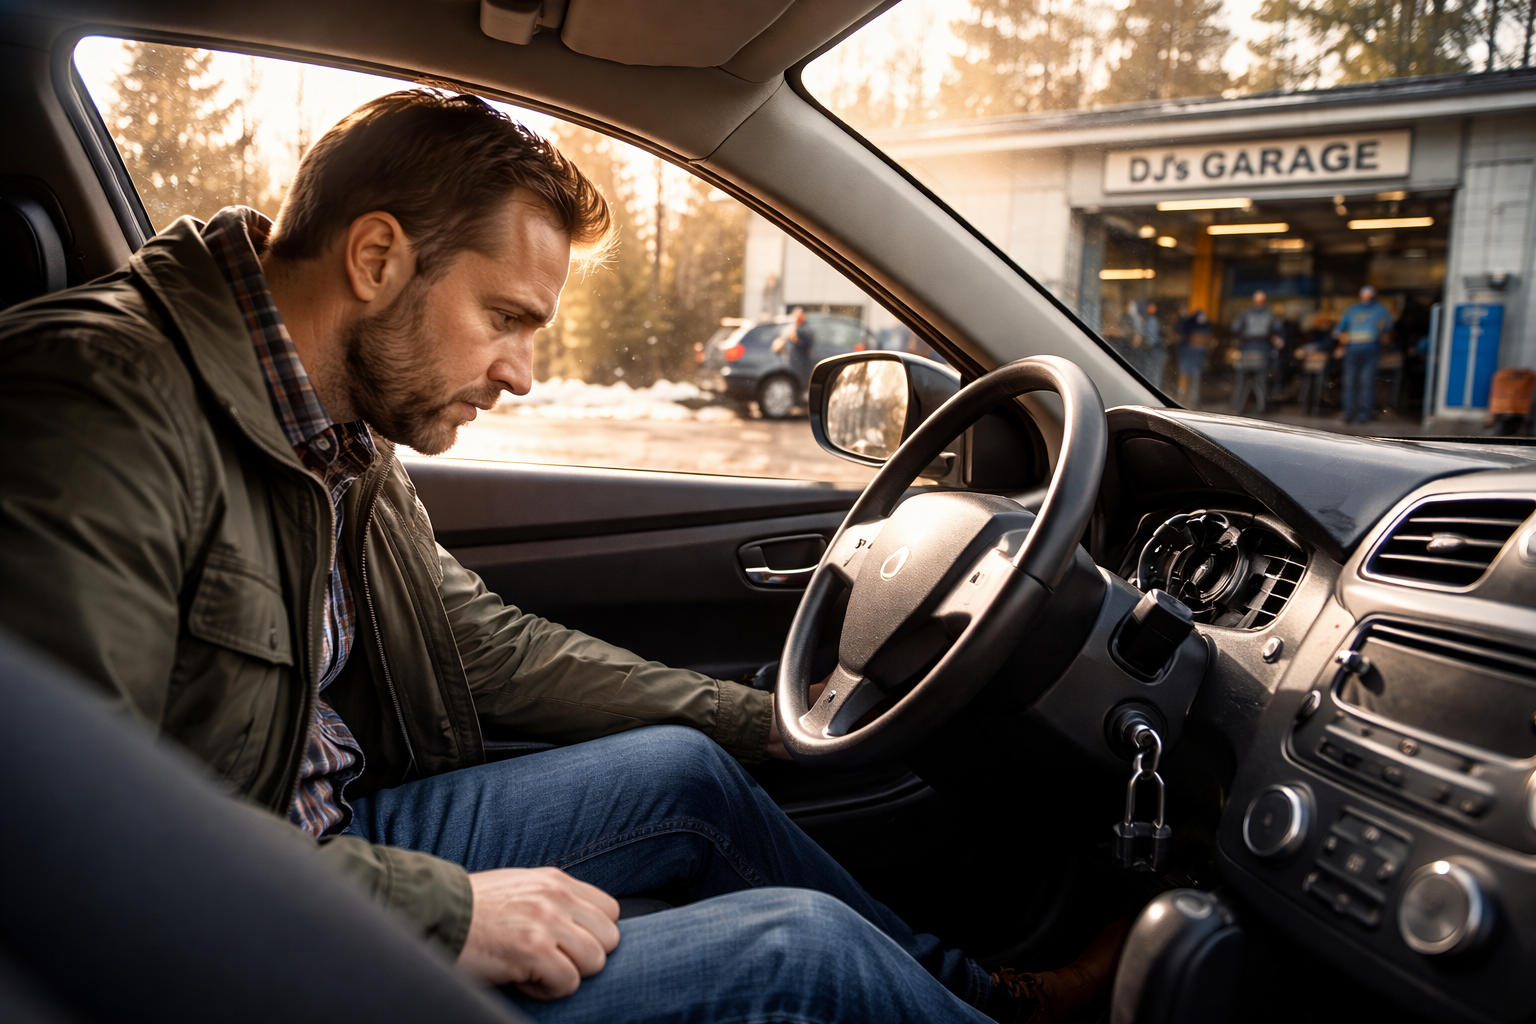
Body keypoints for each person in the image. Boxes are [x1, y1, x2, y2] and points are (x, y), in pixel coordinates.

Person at [0, 90, 1111, 1024]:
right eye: (505, 317)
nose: (523, 371)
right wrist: (443, 912)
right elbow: (69, 839)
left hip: (329, 833)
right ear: (378, 257)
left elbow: (475, 641)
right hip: (231, 932)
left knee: (687, 774)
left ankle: (980, 995)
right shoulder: (103, 403)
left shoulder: (335, 426)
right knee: (798, 951)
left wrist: (749, 722)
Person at [1333, 285, 1394, 425]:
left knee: (1366, 382)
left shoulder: (1380, 310)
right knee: (1350, 383)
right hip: (1352, 351)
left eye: (1369, 294)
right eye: (1364, 294)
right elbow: (1339, 329)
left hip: (1371, 351)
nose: (1367, 297)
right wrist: (1342, 339)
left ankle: (1364, 414)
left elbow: (1388, 328)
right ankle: (1348, 413)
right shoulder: (1353, 310)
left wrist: (1383, 335)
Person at [1229, 290, 1282, 415]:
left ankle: (1237, 406)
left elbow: (1235, 328)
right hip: (1263, 351)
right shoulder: (1271, 315)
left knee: (1243, 380)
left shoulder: (1245, 314)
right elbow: (1278, 330)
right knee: (1260, 381)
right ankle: (1261, 408)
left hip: (1247, 351)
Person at [1293, 315, 1335, 417]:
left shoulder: (1326, 335)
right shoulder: (1315, 333)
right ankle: (1307, 406)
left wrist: (1305, 349)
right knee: (1309, 384)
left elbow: (1325, 346)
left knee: (1317, 384)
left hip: (1322, 364)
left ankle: (1313, 407)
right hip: (1313, 364)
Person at [1173, 305, 1213, 406]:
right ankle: (1187, 399)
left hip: (1191, 355)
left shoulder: (1187, 324)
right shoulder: (1188, 324)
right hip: (1188, 355)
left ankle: (1188, 399)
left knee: (1190, 377)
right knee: (1188, 377)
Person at [1139, 300, 1167, 390]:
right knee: (1152, 374)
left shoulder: (1151, 319)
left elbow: (1152, 338)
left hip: (1155, 350)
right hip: (1154, 350)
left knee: (1152, 373)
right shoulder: (1149, 318)